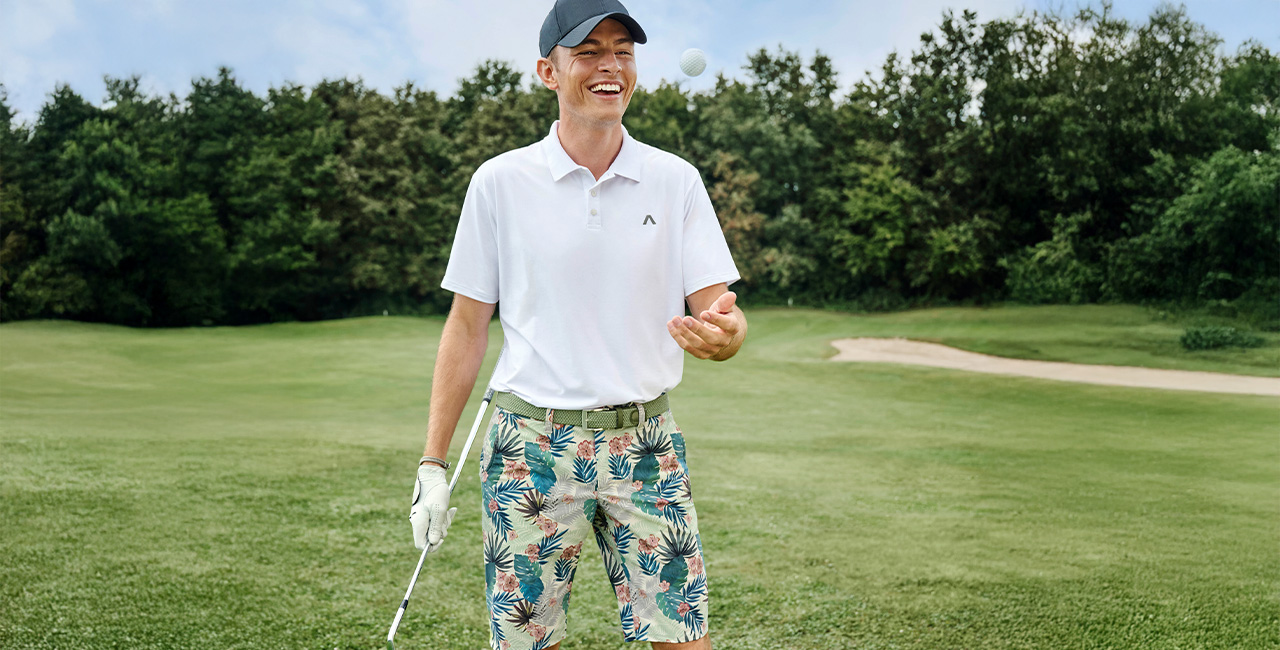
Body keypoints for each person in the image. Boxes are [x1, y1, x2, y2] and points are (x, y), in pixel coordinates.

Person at [409, 1, 746, 648]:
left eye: (622, 50)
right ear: (548, 71)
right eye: (588, 51)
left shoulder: (674, 181)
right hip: (529, 446)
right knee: (527, 642)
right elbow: (467, 326)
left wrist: (727, 337)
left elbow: (722, 314)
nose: (610, 65)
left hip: (646, 441)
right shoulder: (499, 183)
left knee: (684, 638)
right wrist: (432, 463)